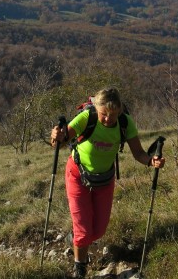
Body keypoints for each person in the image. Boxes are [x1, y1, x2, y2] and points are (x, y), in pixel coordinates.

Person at [50, 87, 165, 278]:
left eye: (113, 114)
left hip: (104, 180)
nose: (107, 119)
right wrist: (56, 137)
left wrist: (151, 161)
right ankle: (80, 267)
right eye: (104, 114)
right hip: (77, 176)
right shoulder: (87, 117)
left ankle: (76, 238)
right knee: (84, 232)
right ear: (97, 108)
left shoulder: (125, 123)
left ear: (119, 110)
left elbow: (138, 153)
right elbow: (61, 143)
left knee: (99, 231)